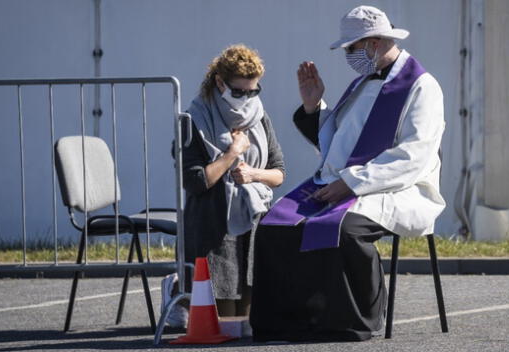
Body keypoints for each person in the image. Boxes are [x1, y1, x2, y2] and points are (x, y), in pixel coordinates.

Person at [250, 5, 445, 341]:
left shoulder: (422, 87)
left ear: (376, 42)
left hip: (398, 187)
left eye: (353, 48)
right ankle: (289, 322)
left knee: (344, 229)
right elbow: (339, 142)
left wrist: (352, 184)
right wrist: (314, 107)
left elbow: (413, 155)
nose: (350, 55)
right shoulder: (360, 85)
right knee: (273, 228)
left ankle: (356, 321)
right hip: (340, 182)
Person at [162, 44, 285, 327]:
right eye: (238, 91)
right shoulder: (194, 119)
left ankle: (180, 287)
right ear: (220, 83)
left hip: (253, 218)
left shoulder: (260, 117)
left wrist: (253, 174)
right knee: (223, 322)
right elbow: (194, 182)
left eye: (253, 91)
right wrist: (232, 153)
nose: (246, 97)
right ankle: (179, 288)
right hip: (212, 220)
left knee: (249, 324)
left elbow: (278, 173)